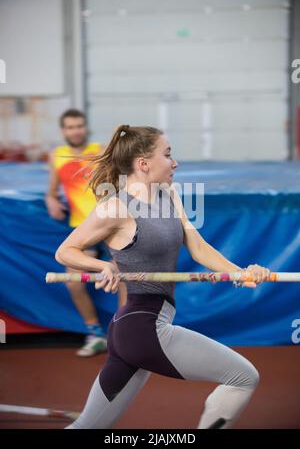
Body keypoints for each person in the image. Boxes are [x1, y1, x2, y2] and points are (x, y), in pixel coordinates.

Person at [55, 124, 270, 429]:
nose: (175, 162)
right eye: (168, 154)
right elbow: (65, 251)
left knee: (87, 427)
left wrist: (239, 272)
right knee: (244, 377)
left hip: (134, 328)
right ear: (143, 164)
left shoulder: (168, 194)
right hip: (142, 327)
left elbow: (198, 247)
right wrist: (103, 266)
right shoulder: (116, 208)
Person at [45, 109, 127, 357]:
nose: (75, 130)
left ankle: (123, 335)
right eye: (70, 127)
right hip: (82, 227)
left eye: (79, 126)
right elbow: (51, 190)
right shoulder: (57, 156)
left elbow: (121, 181)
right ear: (63, 131)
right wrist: (50, 199)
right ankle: (95, 333)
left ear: (85, 128)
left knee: (125, 276)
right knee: (73, 281)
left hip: (110, 223)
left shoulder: (100, 150)